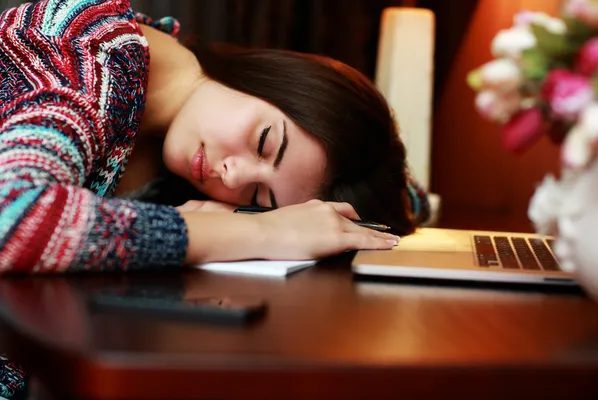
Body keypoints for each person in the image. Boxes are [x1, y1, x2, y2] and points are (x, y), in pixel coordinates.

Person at [0, 0, 429, 397]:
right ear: (272, 80)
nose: (233, 174)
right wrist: (257, 229)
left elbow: (392, 188)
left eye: (257, 196)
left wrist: (393, 198)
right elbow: (13, 218)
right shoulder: (90, 58)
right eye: (263, 142)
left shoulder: (177, 103)